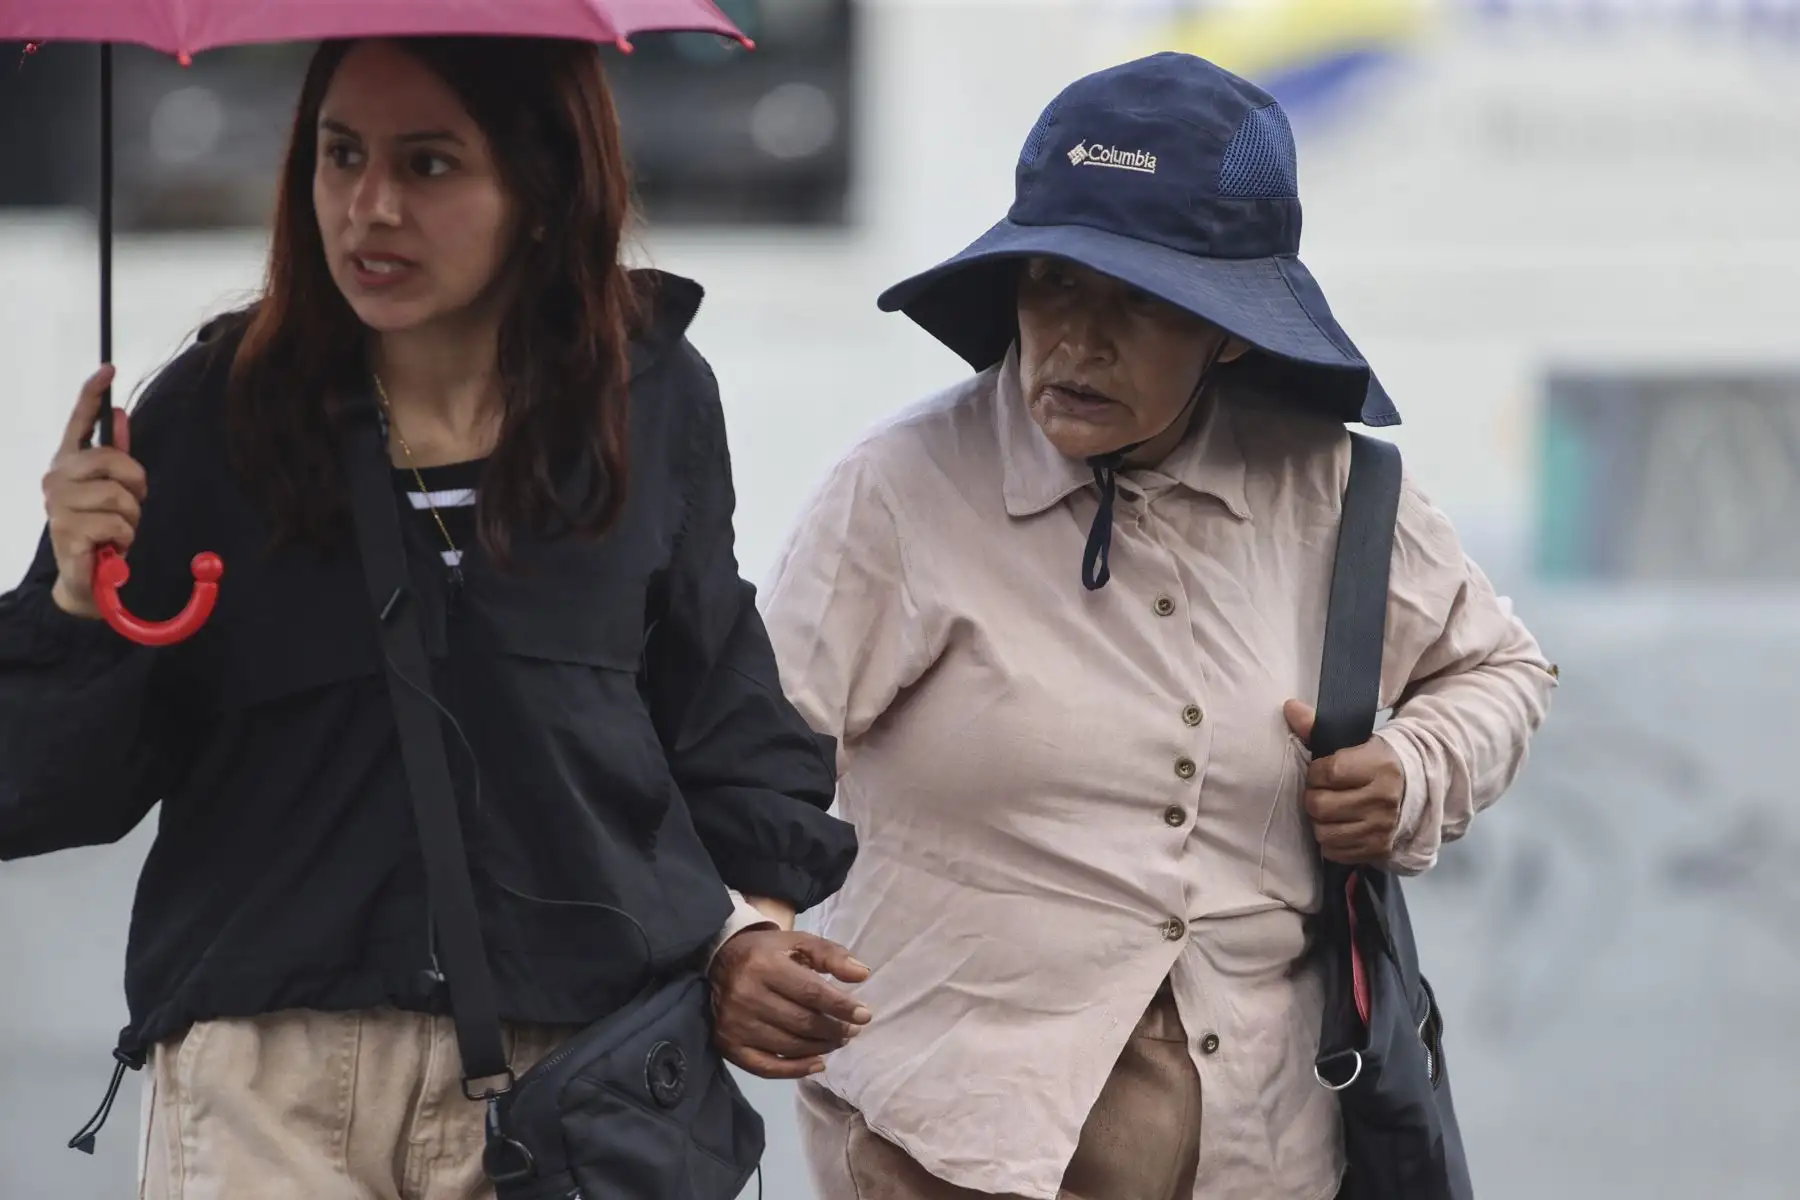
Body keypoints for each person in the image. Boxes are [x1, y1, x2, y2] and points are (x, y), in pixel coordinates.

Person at [0, 36, 870, 1199]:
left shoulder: (647, 396)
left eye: (430, 165)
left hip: (577, 1080)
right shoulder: (212, 415)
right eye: (340, 155)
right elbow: (45, 788)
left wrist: (748, 934)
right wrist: (70, 594)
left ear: (544, 190)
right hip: (268, 1086)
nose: (369, 208)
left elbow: (721, 715)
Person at [759, 52, 1558, 1200]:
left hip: (1262, 1149)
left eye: (1139, 303)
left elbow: (1501, 668)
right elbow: (751, 760)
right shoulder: (899, 488)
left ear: (1231, 332)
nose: (1076, 341)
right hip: (947, 1141)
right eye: (1053, 285)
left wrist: (1413, 768)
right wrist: (751, 930)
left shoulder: (1328, 487)